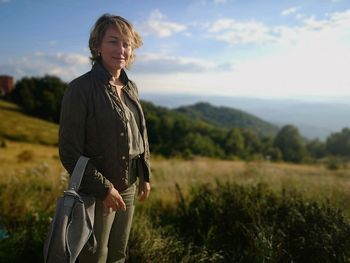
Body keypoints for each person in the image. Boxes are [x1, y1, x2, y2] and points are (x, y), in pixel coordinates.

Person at [58, 13, 151, 263]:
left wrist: (145, 174)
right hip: (96, 191)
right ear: (97, 46)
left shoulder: (131, 87)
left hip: (129, 186)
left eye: (126, 43)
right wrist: (104, 189)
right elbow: (69, 151)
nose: (121, 49)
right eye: (113, 41)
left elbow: (140, 133)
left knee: (119, 254)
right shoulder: (80, 89)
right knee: (94, 257)